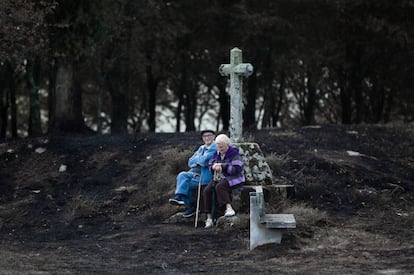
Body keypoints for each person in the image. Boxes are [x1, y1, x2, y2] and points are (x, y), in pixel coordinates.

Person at [169, 130, 217, 218]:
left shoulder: (214, 148)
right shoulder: (201, 148)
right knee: (182, 176)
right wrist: (200, 159)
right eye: (204, 136)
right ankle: (183, 200)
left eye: (209, 135)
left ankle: (190, 205)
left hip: (205, 177)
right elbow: (190, 162)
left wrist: (198, 159)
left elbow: (204, 161)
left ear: (214, 136)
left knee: (186, 182)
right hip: (195, 175)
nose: (207, 138)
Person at [203, 134, 245, 228]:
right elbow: (210, 164)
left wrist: (223, 166)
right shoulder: (216, 154)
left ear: (227, 145)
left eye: (221, 146)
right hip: (219, 178)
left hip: (235, 178)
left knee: (220, 186)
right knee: (207, 191)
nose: (220, 148)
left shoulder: (234, 153)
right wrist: (213, 167)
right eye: (218, 146)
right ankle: (209, 218)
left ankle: (229, 208)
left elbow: (236, 169)